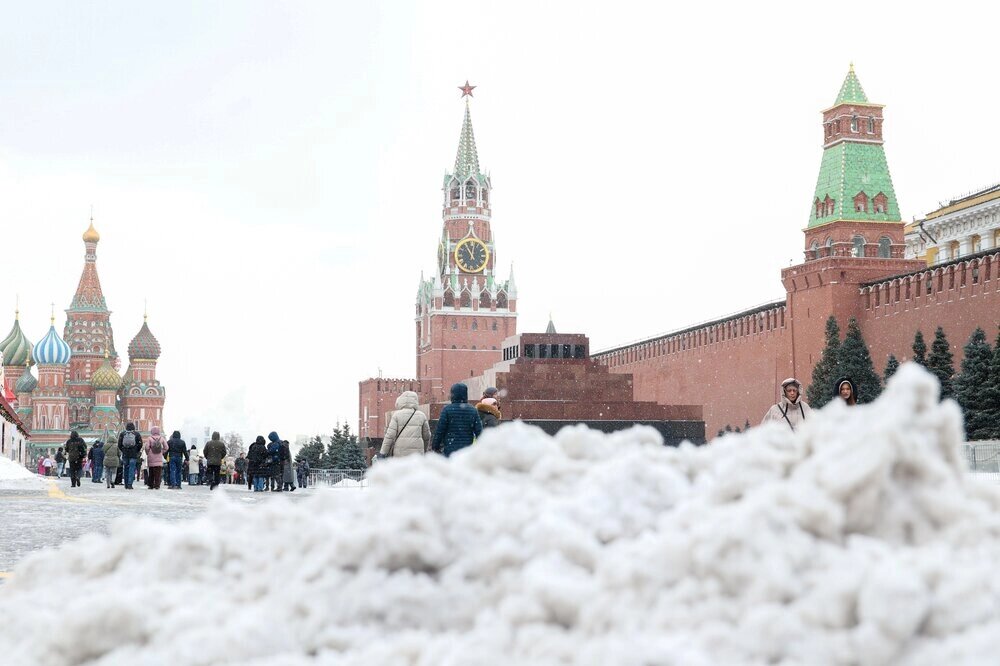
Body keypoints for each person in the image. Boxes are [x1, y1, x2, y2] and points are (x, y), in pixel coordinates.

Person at [432, 383, 483, 457]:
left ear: (452, 394)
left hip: (450, 451)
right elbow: (479, 432)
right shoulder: (473, 410)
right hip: (467, 450)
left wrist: (435, 447)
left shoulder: (447, 410)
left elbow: (440, 431)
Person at [380, 391, 431, 458]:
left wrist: (383, 452)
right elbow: (427, 436)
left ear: (401, 401)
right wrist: (424, 450)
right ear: (415, 401)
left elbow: (390, 435)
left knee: (401, 468)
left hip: (400, 452)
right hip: (417, 454)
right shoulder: (421, 415)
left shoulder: (396, 415)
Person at [118, 422, 143, 490]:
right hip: (133, 454)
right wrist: (136, 450)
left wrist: (123, 450)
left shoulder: (122, 434)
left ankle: (126, 484)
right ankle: (130, 484)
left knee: (126, 468)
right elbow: (140, 444)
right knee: (132, 469)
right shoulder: (136, 434)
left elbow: (119, 444)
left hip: (125, 454)